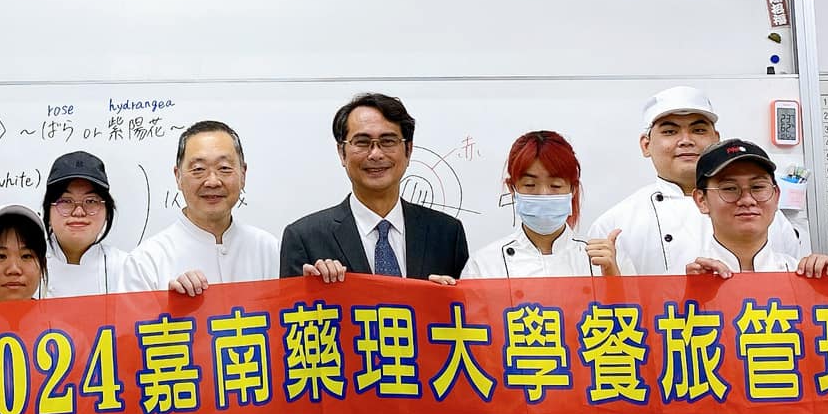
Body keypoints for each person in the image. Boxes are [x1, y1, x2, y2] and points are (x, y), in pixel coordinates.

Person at [590, 85, 808, 275]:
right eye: (670, 131)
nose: (686, 140)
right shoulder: (616, 224)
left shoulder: (766, 215)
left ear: (716, 139)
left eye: (698, 130)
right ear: (646, 145)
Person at [281, 93, 470, 283]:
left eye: (388, 141)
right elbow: (293, 309)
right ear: (342, 153)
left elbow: (465, 309)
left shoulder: (447, 234)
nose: (375, 154)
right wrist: (310, 291)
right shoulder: (305, 238)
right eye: (362, 142)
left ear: (409, 150)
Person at [119, 120, 279, 295]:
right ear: (178, 177)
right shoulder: (145, 262)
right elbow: (131, 323)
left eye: (224, 168)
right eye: (198, 169)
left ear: (243, 174)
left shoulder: (269, 248)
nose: (212, 181)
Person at [464, 130, 613, 279]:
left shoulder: (603, 260)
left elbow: (629, 301)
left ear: (573, 190)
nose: (543, 194)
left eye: (555, 185)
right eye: (530, 185)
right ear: (512, 188)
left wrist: (613, 276)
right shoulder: (484, 266)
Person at [681, 140, 828, 278]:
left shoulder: (803, 277)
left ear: (776, 196)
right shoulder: (677, 279)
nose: (748, 200)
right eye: (730, 188)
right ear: (702, 200)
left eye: (757, 187)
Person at [41, 150, 126, 298]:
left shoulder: (127, 268)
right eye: (66, 201)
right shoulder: (26, 268)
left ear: (107, 212)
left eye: (91, 201)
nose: (79, 212)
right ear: (48, 211)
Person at [0, 207, 48, 303]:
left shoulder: (56, 318)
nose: (14, 269)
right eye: (1, 256)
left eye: (26, 256)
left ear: (43, 265)